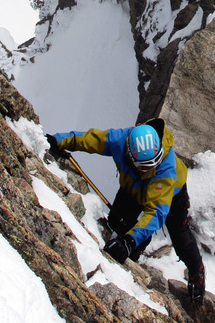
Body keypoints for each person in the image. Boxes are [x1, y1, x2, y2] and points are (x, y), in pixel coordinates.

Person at [46, 117, 205, 302]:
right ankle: (138, 244)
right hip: (133, 187)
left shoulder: (165, 169)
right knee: (116, 222)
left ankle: (197, 271)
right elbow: (91, 140)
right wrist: (59, 140)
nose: (150, 169)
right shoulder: (120, 141)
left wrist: (129, 241)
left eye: (153, 163)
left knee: (180, 236)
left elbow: (156, 213)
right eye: (145, 166)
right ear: (131, 154)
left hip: (172, 193)